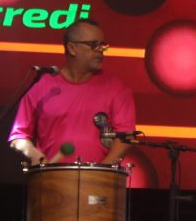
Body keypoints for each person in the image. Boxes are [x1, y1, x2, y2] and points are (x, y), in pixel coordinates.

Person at [9, 18, 135, 165]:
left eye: (102, 45)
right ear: (72, 48)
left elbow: (126, 136)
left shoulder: (117, 88)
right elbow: (18, 136)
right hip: (50, 176)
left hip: (101, 177)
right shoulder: (41, 86)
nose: (100, 50)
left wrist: (103, 170)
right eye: (93, 45)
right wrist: (34, 155)